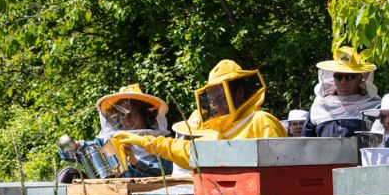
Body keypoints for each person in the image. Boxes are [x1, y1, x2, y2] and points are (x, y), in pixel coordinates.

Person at [112, 59, 286, 169]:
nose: (216, 104)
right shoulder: (217, 132)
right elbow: (183, 150)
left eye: (220, 97)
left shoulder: (261, 121)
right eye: (213, 99)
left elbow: (282, 169)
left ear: (239, 92)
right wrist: (145, 141)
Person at [59, 84, 173, 178]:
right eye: (122, 115)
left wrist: (135, 162)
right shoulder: (110, 141)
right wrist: (76, 146)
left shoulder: (161, 143)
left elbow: (164, 171)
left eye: (132, 115)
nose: (127, 120)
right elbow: (68, 155)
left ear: (145, 116)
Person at [304, 47, 380, 137]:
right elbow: (305, 143)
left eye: (349, 76)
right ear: (333, 78)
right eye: (338, 76)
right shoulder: (319, 105)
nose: (343, 82)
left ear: (360, 78)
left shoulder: (375, 106)